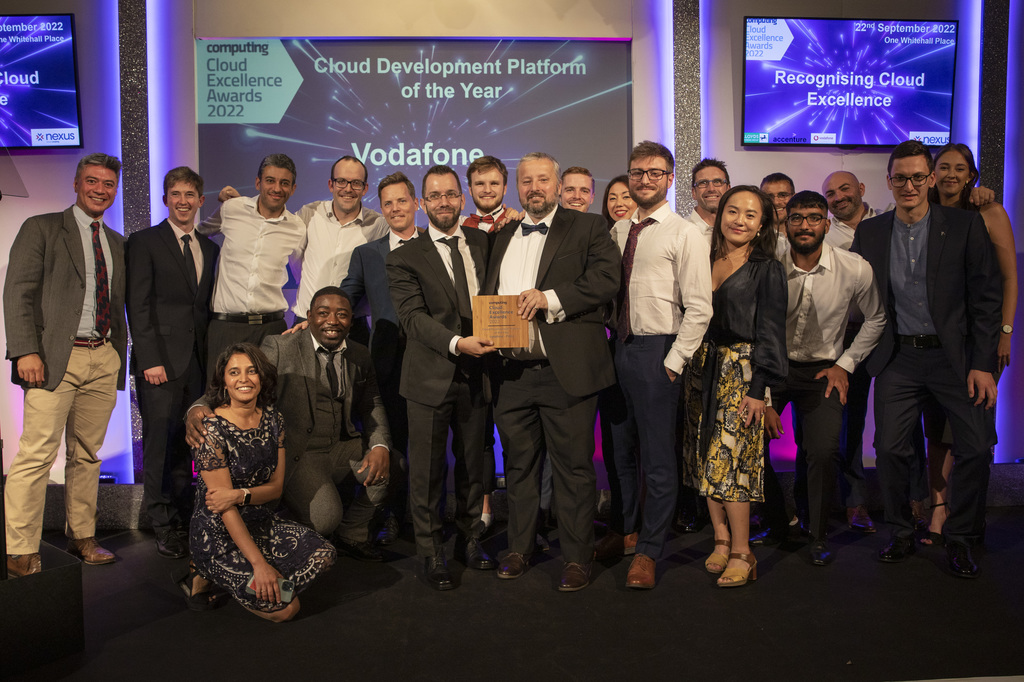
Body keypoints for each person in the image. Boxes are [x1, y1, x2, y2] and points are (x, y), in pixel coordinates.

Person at [851, 140, 1001, 578]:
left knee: (976, 447)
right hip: (898, 357)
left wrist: (983, 363)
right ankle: (900, 531)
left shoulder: (965, 225)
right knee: (889, 449)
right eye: (901, 178)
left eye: (918, 177)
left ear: (931, 179)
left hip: (957, 360)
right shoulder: (871, 233)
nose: (910, 185)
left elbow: (986, 299)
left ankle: (961, 537)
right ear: (889, 181)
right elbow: (855, 295)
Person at [484, 152, 620, 591]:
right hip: (512, 373)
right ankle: (519, 549)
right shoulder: (502, 236)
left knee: (574, 469)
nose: (535, 188)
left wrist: (551, 298)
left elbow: (606, 279)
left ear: (558, 186)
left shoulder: (589, 227)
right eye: (527, 181)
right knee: (519, 468)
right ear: (517, 187)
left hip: (567, 372)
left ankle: (578, 557)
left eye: (543, 179)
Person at [187, 288, 396, 562]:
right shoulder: (282, 346)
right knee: (324, 520)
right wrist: (197, 407)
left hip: (341, 447)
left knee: (393, 464)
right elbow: (245, 379)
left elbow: (372, 403)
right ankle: (269, 529)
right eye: (323, 313)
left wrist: (379, 445)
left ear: (351, 321)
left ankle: (352, 534)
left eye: (342, 314)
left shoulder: (359, 354)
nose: (332, 321)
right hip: (301, 452)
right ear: (309, 316)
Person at [4, 153, 128, 576]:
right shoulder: (41, 227)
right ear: (76, 184)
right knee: (36, 454)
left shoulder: (117, 242)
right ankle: (20, 549)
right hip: (54, 357)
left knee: (87, 454)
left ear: (115, 190)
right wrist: (25, 350)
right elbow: (17, 291)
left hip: (103, 356)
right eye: (92, 181)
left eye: (108, 184)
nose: (99, 190)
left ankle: (82, 536)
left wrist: (117, 356)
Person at [606, 141, 713, 589]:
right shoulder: (618, 231)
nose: (644, 179)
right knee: (620, 454)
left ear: (669, 179)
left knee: (657, 460)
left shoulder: (684, 233)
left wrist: (673, 362)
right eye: (637, 172)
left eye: (654, 172)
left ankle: (649, 551)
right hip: (618, 350)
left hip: (658, 353)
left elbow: (700, 307)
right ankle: (629, 533)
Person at [386, 165, 496, 590]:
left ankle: (471, 539)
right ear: (422, 203)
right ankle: (431, 552)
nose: (444, 202)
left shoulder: (483, 242)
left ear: (462, 198)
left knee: (473, 466)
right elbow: (413, 319)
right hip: (429, 377)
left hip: (478, 375)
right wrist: (457, 343)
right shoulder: (403, 256)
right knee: (427, 472)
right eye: (434, 196)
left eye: (451, 194)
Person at [763, 191, 885, 565]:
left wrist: (845, 364)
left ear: (827, 225)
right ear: (785, 225)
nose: (805, 225)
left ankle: (817, 535)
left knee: (822, 450)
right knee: (747, 443)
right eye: (796, 218)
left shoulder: (854, 267)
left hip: (822, 372)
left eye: (814, 218)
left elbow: (876, 318)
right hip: (774, 369)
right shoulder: (768, 264)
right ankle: (778, 521)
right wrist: (762, 391)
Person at [186, 343, 335, 622]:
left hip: (261, 523)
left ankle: (252, 583)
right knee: (287, 609)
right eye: (234, 372)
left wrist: (239, 495)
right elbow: (223, 507)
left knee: (324, 555)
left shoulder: (274, 419)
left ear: (262, 377)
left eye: (251, 371)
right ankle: (206, 570)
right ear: (224, 382)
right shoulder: (211, 430)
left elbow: (276, 489)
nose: (244, 379)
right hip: (219, 534)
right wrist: (259, 565)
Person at [688, 185, 787, 588]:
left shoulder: (767, 268)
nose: (740, 221)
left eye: (750, 214)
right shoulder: (702, 259)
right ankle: (721, 539)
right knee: (705, 456)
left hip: (742, 372)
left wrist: (759, 390)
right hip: (701, 367)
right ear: (720, 215)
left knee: (733, 462)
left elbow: (771, 334)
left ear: (762, 224)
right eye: (733, 211)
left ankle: (744, 552)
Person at [918, 142, 1017, 545]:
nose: (951, 175)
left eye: (960, 168)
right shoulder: (922, 211)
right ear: (932, 174)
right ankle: (938, 511)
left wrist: (1005, 333)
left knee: (975, 435)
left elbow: (1008, 278)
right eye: (944, 167)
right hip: (936, 342)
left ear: (972, 175)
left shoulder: (988, 211)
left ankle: (968, 517)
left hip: (982, 342)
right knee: (938, 431)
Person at [127, 166, 219, 559]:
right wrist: (149, 359)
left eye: (190, 194)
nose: (183, 201)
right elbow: (138, 304)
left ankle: (183, 519)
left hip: (196, 363)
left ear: (201, 200)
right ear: (166, 199)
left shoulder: (210, 248)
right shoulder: (144, 241)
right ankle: (162, 524)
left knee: (188, 445)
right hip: (159, 363)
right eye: (176, 194)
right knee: (159, 446)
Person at [342, 172, 422, 544]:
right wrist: (313, 319)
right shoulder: (367, 254)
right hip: (389, 362)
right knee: (395, 444)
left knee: (434, 444)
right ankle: (393, 515)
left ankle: (429, 515)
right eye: (387, 203)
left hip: (437, 361)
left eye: (401, 200)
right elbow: (345, 299)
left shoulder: (438, 245)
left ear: (416, 203)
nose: (395, 208)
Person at [198, 153, 305, 370]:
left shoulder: (297, 227)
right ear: (258, 183)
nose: (277, 188)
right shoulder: (231, 209)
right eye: (270, 180)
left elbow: (305, 274)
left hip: (271, 330)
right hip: (225, 327)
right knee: (219, 390)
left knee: (270, 391)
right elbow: (197, 236)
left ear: (293, 189)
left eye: (284, 183)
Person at [683, 158, 731, 242]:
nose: (711, 189)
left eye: (717, 182)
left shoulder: (738, 231)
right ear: (694, 192)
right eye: (703, 183)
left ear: (728, 189)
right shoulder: (679, 232)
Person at [760, 172, 795, 258]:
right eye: (769, 197)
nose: (775, 202)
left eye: (782, 195)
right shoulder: (752, 238)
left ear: (794, 197)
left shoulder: (807, 233)